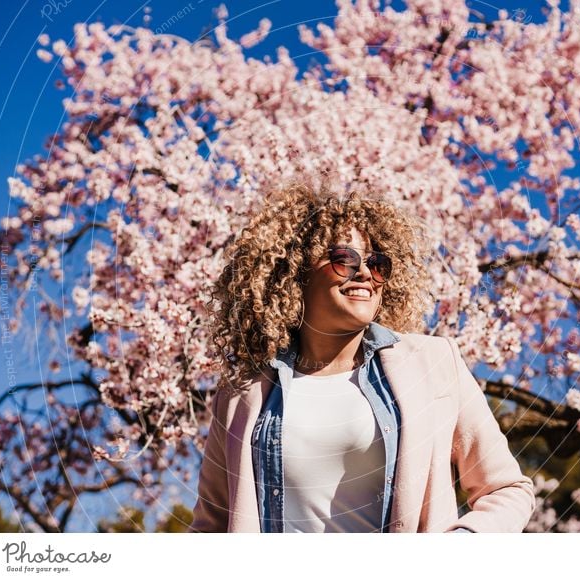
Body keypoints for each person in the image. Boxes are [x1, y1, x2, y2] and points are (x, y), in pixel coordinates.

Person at [189, 179, 535, 533]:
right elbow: (210, 527)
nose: (366, 272)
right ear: (293, 274)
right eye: (343, 259)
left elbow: (508, 489)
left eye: (377, 263)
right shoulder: (241, 395)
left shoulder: (433, 363)